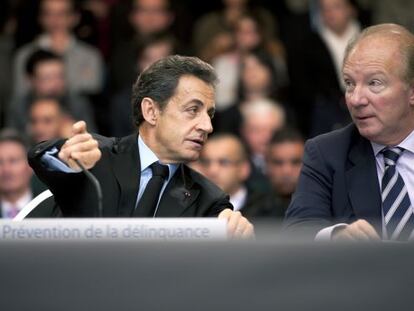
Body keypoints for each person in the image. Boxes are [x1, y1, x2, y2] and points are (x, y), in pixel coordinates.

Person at [28, 55, 254, 238]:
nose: (207, 126)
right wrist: (67, 160)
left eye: (209, 114)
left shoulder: (208, 199)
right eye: (193, 110)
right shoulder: (96, 157)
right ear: (151, 111)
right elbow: (41, 156)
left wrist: (237, 230)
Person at [284, 23, 414, 242]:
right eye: (349, 83)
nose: (356, 99)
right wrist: (336, 237)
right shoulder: (327, 153)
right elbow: (297, 231)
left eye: (375, 83)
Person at [198, 134, 267, 217]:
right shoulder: (190, 207)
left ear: (243, 169)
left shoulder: (268, 209)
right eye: (206, 162)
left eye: (223, 162)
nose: (212, 170)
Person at [263, 128, 304, 218]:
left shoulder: (325, 212)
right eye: (278, 162)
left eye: (295, 162)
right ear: (267, 165)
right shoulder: (251, 214)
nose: (286, 171)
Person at [0, 130, 34, 219]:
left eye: (13, 161)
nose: (6, 169)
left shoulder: (53, 211)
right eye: (0, 162)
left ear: (30, 166)